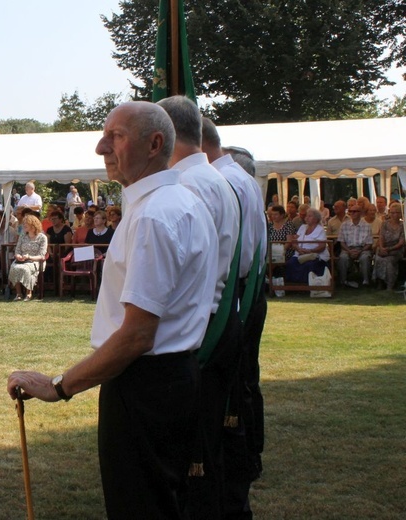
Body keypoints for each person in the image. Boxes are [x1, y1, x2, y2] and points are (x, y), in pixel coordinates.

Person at [8, 101, 218, 520]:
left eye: (116, 136)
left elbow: (138, 334)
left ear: (155, 143)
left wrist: (60, 385)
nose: (101, 146)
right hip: (170, 379)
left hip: (146, 386)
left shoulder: (156, 214)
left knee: (141, 507)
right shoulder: (173, 203)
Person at [158, 95, 241, 520]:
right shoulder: (216, 178)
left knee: (195, 452)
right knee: (205, 440)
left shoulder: (189, 185)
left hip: (200, 327)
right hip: (217, 317)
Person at [202, 117, 267, 520]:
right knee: (243, 384)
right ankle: (244, 456)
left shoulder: (225, 181)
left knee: (234, 391)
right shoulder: (239, 179)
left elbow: (232, 258)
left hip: (235, 296)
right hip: (248, 293)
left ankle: (237, 462)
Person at [8, 214, 48, 302]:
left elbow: (42, 255)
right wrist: (18, 256)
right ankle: (18, 293)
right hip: (22, 260)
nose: (24, 225)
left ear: (33, 224)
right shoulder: (22, 236)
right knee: (14, 267)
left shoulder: (42, 238)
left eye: (26, 223)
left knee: (26, 269)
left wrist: (29, 257)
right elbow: (17, 250)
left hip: (36, 261)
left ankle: (29, 293)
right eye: (24, 223)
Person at [285, 208, 330, 283]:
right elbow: (294, 240)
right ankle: (294, 284)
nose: (307, 218)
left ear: (316, 219)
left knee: (308, 265)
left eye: (310, 216)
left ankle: (307, 284)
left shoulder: (320, 229)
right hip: (300, 254)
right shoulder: (302, 227)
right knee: (291, 263)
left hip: (314, 255)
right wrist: (298, 248)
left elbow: (322, 246)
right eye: (307, 216)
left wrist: (310, 251)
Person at [337, 205, 373, 288]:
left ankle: (366, 281)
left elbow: (369, 243)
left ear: (360, 213)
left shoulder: (367, 226)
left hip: (363, 249)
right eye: (350, 211)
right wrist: (349, 251)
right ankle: (343, 281)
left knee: (365, 257)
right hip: (347, 249)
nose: (352, 213)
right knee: (343, 257)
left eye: (355, 211)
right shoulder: (344, 225)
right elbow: (342, 242)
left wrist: (360, 251)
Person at [372, 202, 405, 291]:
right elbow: (381, 237)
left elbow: (401, 242)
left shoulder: (403, 226)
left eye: (397, 212)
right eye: (392, 212)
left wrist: (389, 249)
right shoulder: (385, 224)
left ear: (400, 214)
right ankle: (380, 283)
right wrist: (382, 247)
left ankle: (390, 285)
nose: (394, 215)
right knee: (378, 259)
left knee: (389, 260)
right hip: (384, 248)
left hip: (396, 249)